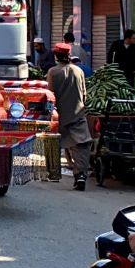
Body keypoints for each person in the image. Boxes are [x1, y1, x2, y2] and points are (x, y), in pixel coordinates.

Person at [46, 42, 93, 191]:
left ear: (56, 56)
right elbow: (84, 93)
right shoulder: (78, 71)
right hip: (77, 114)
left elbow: (50, 95)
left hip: (59, 115)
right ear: (69, 55)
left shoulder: (53, 72)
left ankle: (53, 172)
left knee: (52, 141)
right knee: (82, 145)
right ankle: (80, 176)